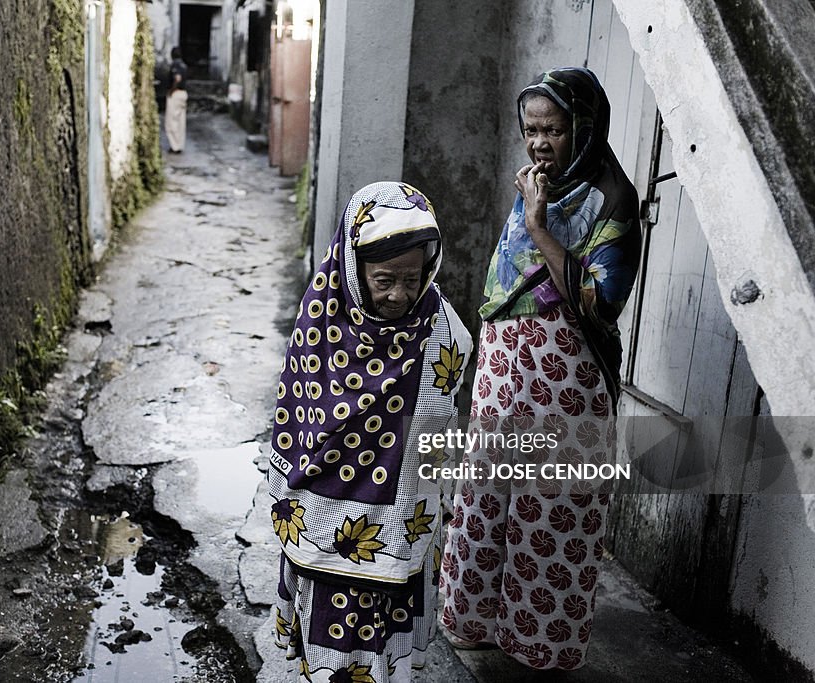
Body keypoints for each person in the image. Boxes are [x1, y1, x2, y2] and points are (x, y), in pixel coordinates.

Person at [439, 67, 641, 670]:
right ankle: (470, 619)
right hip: (508, 373)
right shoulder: (539, 185)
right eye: (530, 130)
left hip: (566, 380)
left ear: (584, 127)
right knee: (482, 495)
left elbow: (602, 302)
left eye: (552, 129)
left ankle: (540, 643)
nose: (539, 144)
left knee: (550, 508)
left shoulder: (612, 199)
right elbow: (506, 284)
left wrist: (538, 225)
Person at [268, 181, 473, 682]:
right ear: (353, 269)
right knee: (329, 646)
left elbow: (437, 428)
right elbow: (299, 420)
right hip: (322, 520)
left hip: (399, 525)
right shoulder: (320, 319)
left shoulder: (442, 328)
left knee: (384, 645)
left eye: (411, 277)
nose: (399, 293)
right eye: (384, 279)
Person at [164, 47, 188, 153]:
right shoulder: (184, 65)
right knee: (180, 121)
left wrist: (171, 90)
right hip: (183, 93)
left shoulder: (176, 65)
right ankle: (179, 145)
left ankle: (174, 146)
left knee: (171, 121)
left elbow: (177, 79)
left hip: (176, 93)